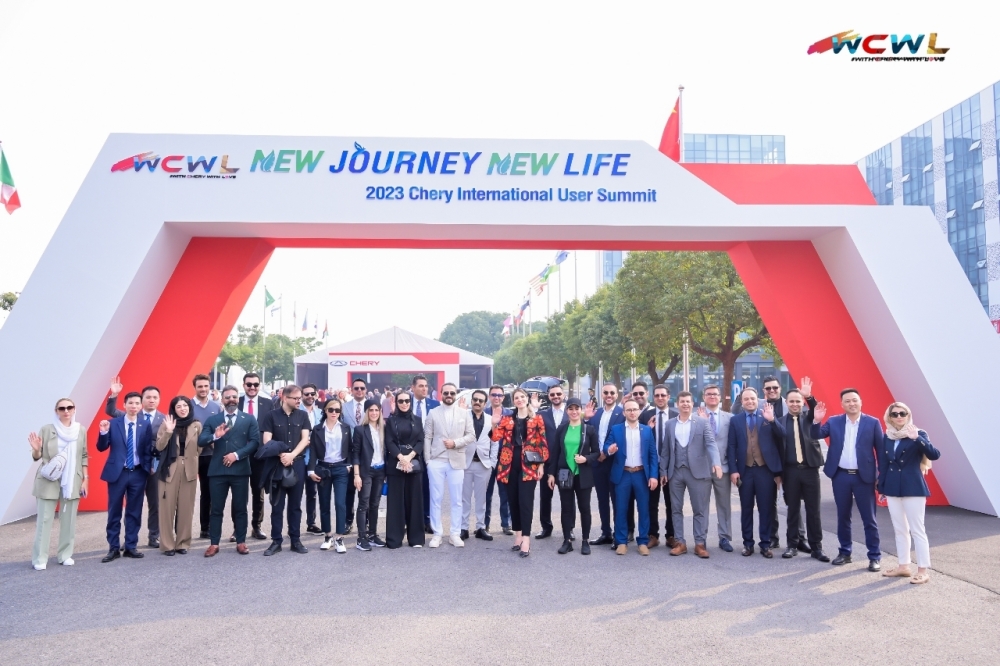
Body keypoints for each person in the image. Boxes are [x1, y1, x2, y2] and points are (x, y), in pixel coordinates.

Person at [812, 388, 883, 571]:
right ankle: (845, 552)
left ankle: (874, 556)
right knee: (843, 516)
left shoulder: (872, 423)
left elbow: (881, 452)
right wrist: (816, 421)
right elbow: (816, 435)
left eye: (854, 400)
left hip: (864, 477)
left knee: (869, 519)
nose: (852, 403)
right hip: (841, 475)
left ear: (861, 402)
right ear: (842, 404)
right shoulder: (834, 421)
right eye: (847, 401)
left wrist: (881, 476)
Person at [878, 402, 941, 584]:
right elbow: (884, 464)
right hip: (892, 488)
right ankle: (903, 566)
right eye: (895, 414)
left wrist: (917, 439)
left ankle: (922, 570)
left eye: (903, 413)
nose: (899, 416)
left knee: (917, 529)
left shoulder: (918, 433)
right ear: (889, 417)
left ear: (908, 415)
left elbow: (935, 454)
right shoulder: (888, 437)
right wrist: (882, 487)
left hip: (913, 487)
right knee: (899, 529)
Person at [660, 391, 721, 558]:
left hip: (699, 472)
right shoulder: (670, 424)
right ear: (677, 404)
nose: (685, 404)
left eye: (688, 401)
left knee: (700, 509)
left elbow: (710, 444)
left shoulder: (702, 422)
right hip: (676, 472)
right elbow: (665, 450)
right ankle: (680, 542)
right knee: (676, 509)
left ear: (692, 404)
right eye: (682, 401)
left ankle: (700, 543)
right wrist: (663, 471)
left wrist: (716, 463)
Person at [28, 398, 88, 570]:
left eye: (69, 407)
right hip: (48, 480)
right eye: (62, 408)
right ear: (56, 411)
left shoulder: (80, 430)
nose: (66, 411)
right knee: (44, 520)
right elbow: (37, 457)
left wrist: (85, 479)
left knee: (68, 520)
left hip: (72, 480)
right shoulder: (47, 429)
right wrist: (37, 449)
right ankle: (40, 558)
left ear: (74, 409)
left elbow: (84, 455)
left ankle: (65, 555)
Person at [199, 386, 260, 556]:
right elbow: (201, 440)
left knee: (241, 508)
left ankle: (241, 541)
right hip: (217, 471)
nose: (231, 400)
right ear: (222, 400)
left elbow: (255, 442)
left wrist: (236, 455)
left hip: (240, 470)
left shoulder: (248, 419)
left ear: (238, 399)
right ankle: (214, 543)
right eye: (227, 397)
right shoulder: (213, 420)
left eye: (234, 396)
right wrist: (215, 436)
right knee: (216, 509)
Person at [106, 378, 164, 549]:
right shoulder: (129, 415)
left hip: (153, 467)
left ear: (159, 399)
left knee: (155, 503)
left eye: (155, 397)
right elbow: (110, 410)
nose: (151, 400)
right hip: (132, 469)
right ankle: (129, 541)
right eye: (148, 397)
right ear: (142, 400)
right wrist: (114, 394)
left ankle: (154, 535)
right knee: (131, 506)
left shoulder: (164, 418)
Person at [97, 391, 155, 562]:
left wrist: (147, 466)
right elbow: (101, 447)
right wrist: (103, 433)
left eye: (137, 403)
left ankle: (131, 546)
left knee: (134, 511)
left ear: (141, 406)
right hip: (118, 473)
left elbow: (146, 449)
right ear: (124, 405)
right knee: (114, 511)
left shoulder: (145, 424)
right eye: (131, 403)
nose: (134, 406)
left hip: (138, 472)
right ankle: (113, 548)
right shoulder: (113, 423)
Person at [491, 388, 548, 558]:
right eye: (516, 398)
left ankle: (526, 539)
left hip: (529, 466)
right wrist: (494, 423)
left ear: (527, 398)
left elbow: (542, 442)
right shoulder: (507, 419)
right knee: (513, 502)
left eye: (522, 397)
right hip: (508, 465)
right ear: (513, 400)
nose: (520, 400)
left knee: (526, 503)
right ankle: (517, 536)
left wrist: (541, 464)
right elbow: (494, 438)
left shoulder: (536, 418)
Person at [728, 387, 784, 558]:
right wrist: (733, 470)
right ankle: (748, 544)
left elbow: (782, 436)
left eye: (752, 398)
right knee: (746, 508)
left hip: (765, 470)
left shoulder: (766, 416)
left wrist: (773, 420)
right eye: (746, 399)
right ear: (742, 402)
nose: (750, 402)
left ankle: (766, 544)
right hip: (745, 471)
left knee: (766, 508)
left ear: (757, 399)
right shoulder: (735, 420)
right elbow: (731, 446)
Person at [777, 380, 829, 561]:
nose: (795, 404)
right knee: (792, 510)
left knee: (813, 511)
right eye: (791, 401)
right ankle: (792, 545)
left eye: (798, 401)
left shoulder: (808, 417)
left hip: (810, 470)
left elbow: (815, 410)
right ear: (786, 403)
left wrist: (809, 397)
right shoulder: (780, 422)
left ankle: (817, 548)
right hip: (790, 471)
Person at [259, 384, 312, 556]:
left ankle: (295, 540)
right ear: (284, 397)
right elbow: (267, 439)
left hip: (297, 464)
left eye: (300, 398)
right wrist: (282, 454)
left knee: (295, 505)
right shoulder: (271, 416)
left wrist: (291, 455)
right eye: (296, 398)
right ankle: (276, 541)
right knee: (277, 505)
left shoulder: (303, 415)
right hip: (277, 464)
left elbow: (305, 439)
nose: (299, 401)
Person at [603, 399, 658, 555]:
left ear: (639, 411)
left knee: (644, 509)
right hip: (623, 474)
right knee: (621, 509)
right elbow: (606, 446)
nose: (632, 412)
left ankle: (642, 541)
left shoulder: (646, 430)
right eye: (629, 410)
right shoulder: (616, 429)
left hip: (641, 474)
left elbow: (652, 455)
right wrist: (610, 449)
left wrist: (653, 475)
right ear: (624, 412)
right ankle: (621, 541)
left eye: (635, 409)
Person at [544, 397, 598, 554]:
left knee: (584, 508)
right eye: (571, 409)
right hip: (565, 474)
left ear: (581, 410)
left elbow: (596, 452)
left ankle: (585, 540)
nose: (574, 412)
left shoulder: (589, 429)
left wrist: (586, 458)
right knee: (566, 508)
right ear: (567, 410)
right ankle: (567, 540)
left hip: (583, 474)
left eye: (576, 409)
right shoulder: (562, 428)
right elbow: (556, 453)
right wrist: (551, 474)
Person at [424, 382, 475, 547]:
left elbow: (470, 436)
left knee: (457, 500)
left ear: (456, 394)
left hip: (456, 461)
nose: (449, 396)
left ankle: (455, 533)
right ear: (441, 394)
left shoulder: (464, 413)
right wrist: (428, 460)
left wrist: (455, 442)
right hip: (436, 461)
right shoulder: (433, 413)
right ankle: (437, 533)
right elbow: (427, 437)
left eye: (452, 393)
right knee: (435, 499)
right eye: (446, 393)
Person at [153, 396, 202, 555]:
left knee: (186, 508)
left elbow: (199, 448)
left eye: (185, 406)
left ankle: (182, 543)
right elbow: (160, 446)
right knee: (167, 508)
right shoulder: (166, 424)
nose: (182, 409)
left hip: (189, 469)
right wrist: (168, 431)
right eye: (178, 406)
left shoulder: (196, 425)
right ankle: (167, 544)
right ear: (174, 409)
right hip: (169, 469)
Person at [307, 398, 352, 554]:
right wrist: (311, 470)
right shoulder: (318, 429)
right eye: (331, 410)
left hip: (340, 469)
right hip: (323, 469)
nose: (334, 413)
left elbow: (351, 449)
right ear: (325, 410)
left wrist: (349, 466)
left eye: (337, 410)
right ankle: (327, 536)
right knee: (324, 504)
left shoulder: (346, 428)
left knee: (340, 503)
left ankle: (339, 538)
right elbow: (312, 450)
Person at [384, 390, 427, 548]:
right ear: (396, 402)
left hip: (413, 465)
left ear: (410, 402)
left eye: (406, 401)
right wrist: (401, 458)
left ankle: (416, 539)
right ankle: (394, 539)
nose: (404, 404)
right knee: (395, 503)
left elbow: (421, 441)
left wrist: (409, 457)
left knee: (414, 502)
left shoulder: (417, 419)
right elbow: (389, 442)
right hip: (396, 465)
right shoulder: (391, 420)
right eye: (401, 401)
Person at [697, 384, 734, 552]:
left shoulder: (730, 418)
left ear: (720, 397)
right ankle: (701, 538)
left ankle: (724, 538)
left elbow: (733, 445)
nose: (712, 396)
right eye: (709, 394)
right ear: (704, 397)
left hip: (723, 469)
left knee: (724, 505)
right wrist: (702, 421)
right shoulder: (695, 418)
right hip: (702, 469)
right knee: (701, 506)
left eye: (715, 394)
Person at [586, 383, 624, 546]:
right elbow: (587, 433)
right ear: (602, 395)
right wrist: (586, 418)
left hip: (614, 462)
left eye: (612, 393)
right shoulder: (596, 413)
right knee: (602, 500)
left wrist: (606, 452)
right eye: (606, 392)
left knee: (617, 500)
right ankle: (605, 532)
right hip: (597, 463)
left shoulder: (622, 413)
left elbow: (623, 437)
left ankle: (618, 535)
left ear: (617, 395)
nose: (609, 395)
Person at [461, 389, 498, 542]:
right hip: (465, 463)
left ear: (485, 403)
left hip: (484, 464)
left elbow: (494, 441)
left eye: (480, 400)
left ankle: (480, 527)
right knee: (464, 498)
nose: (477, 402)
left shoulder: (490, 420)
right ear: (472, 401)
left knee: (482, 498)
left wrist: (492, 463)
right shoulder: (463, 416)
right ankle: (463, 528)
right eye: (475, 399)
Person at [239, 372, 271, 541]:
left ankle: (256, 526)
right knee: (239, 492)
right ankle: (238, 528)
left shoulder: (268, 403)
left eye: (255, 385)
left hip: (260, 455)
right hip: (240, 454)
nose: (252, 387)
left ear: (259, 385)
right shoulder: (236, 402)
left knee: (258, 492)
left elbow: (272, 428)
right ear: (243, 385)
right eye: (249, 384)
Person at [647, 384, 680, 549]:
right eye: (657, 395)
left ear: (668, 397)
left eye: (663, 395)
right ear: (653, 398)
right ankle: (653, 534)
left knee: (671, 502)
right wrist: (647, 429)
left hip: (671, 466)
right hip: (652, 465)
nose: (660, 398)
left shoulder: (677, 415)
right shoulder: (645, 416)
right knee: (651, 502)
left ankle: (671, 535)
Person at [352, 400, 387, 551]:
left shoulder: (384, 429)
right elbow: (355, 454)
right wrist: (356, 475)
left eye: (376, 410)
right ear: (367, 412)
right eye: (371, 410)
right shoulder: (360, 430)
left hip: (380, 471)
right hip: (366, 472)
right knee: (363, 504)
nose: (374, 413)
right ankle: (361, 538)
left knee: (375, 504)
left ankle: (372, 535)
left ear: (380, 412)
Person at [190, 374, 221, 541]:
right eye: (199, 386)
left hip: (210, 456)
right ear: (194, 387)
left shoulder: (216, 407)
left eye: (205, 386)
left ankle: (205, 527)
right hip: (190, 456)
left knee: (207, 493)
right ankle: (182, 529)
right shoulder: (187, 405)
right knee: (186, 494)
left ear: (210, 387)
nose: (203, 389)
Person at [535, 384, 566, 540]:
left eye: (558, 394)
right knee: (545, 497)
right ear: (548, 396)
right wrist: (533, 409)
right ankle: (546, 527)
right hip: (546, 463)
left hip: (565, 464)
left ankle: (569, 528)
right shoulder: (541, 414)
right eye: (552, 394)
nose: (556, 396)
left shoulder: (572, 413)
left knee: (566, 498)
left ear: (563, 394)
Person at [410, 374, 440, 533]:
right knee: (412, 487)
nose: (424, 388)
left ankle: (427, 519)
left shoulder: (435, 404)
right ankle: (412, 520)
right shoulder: (405, 402)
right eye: (420, 386)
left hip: (430, 451)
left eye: (426, 386)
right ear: (413, 387)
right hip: (410, 452)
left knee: (429, 486)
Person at [341, 377, 370, 534]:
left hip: (367, 452)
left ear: (366, 390)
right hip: (348, 452)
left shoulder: (372, 406)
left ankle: (364, 521)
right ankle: (348, 521)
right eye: (356, 388)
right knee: (348, 490)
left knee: (365, 490)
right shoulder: (344, 407)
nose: (359, 391)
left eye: (362, 388)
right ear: (351, 390)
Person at [484, 385, 513, 535]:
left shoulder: (510, 414)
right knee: (486, 493)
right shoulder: (483, 413)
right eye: (493, 395)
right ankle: (485, 524)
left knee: (505, 493)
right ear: (489, 396)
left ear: (503, 397)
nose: (496, 397)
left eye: (499, 395)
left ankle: (506, 523)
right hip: (487, 457)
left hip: (505, 458)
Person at [299, 383, 324, 535]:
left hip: (315, 459)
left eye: (312, 394)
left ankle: (311, 523)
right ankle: (293, 525)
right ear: (302, 395)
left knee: (312, 492)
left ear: (316, 395)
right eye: (306, 394)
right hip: (299, 457)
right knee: (295, 493)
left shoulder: (321, 413)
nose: (309, 396)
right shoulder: (296, 411)